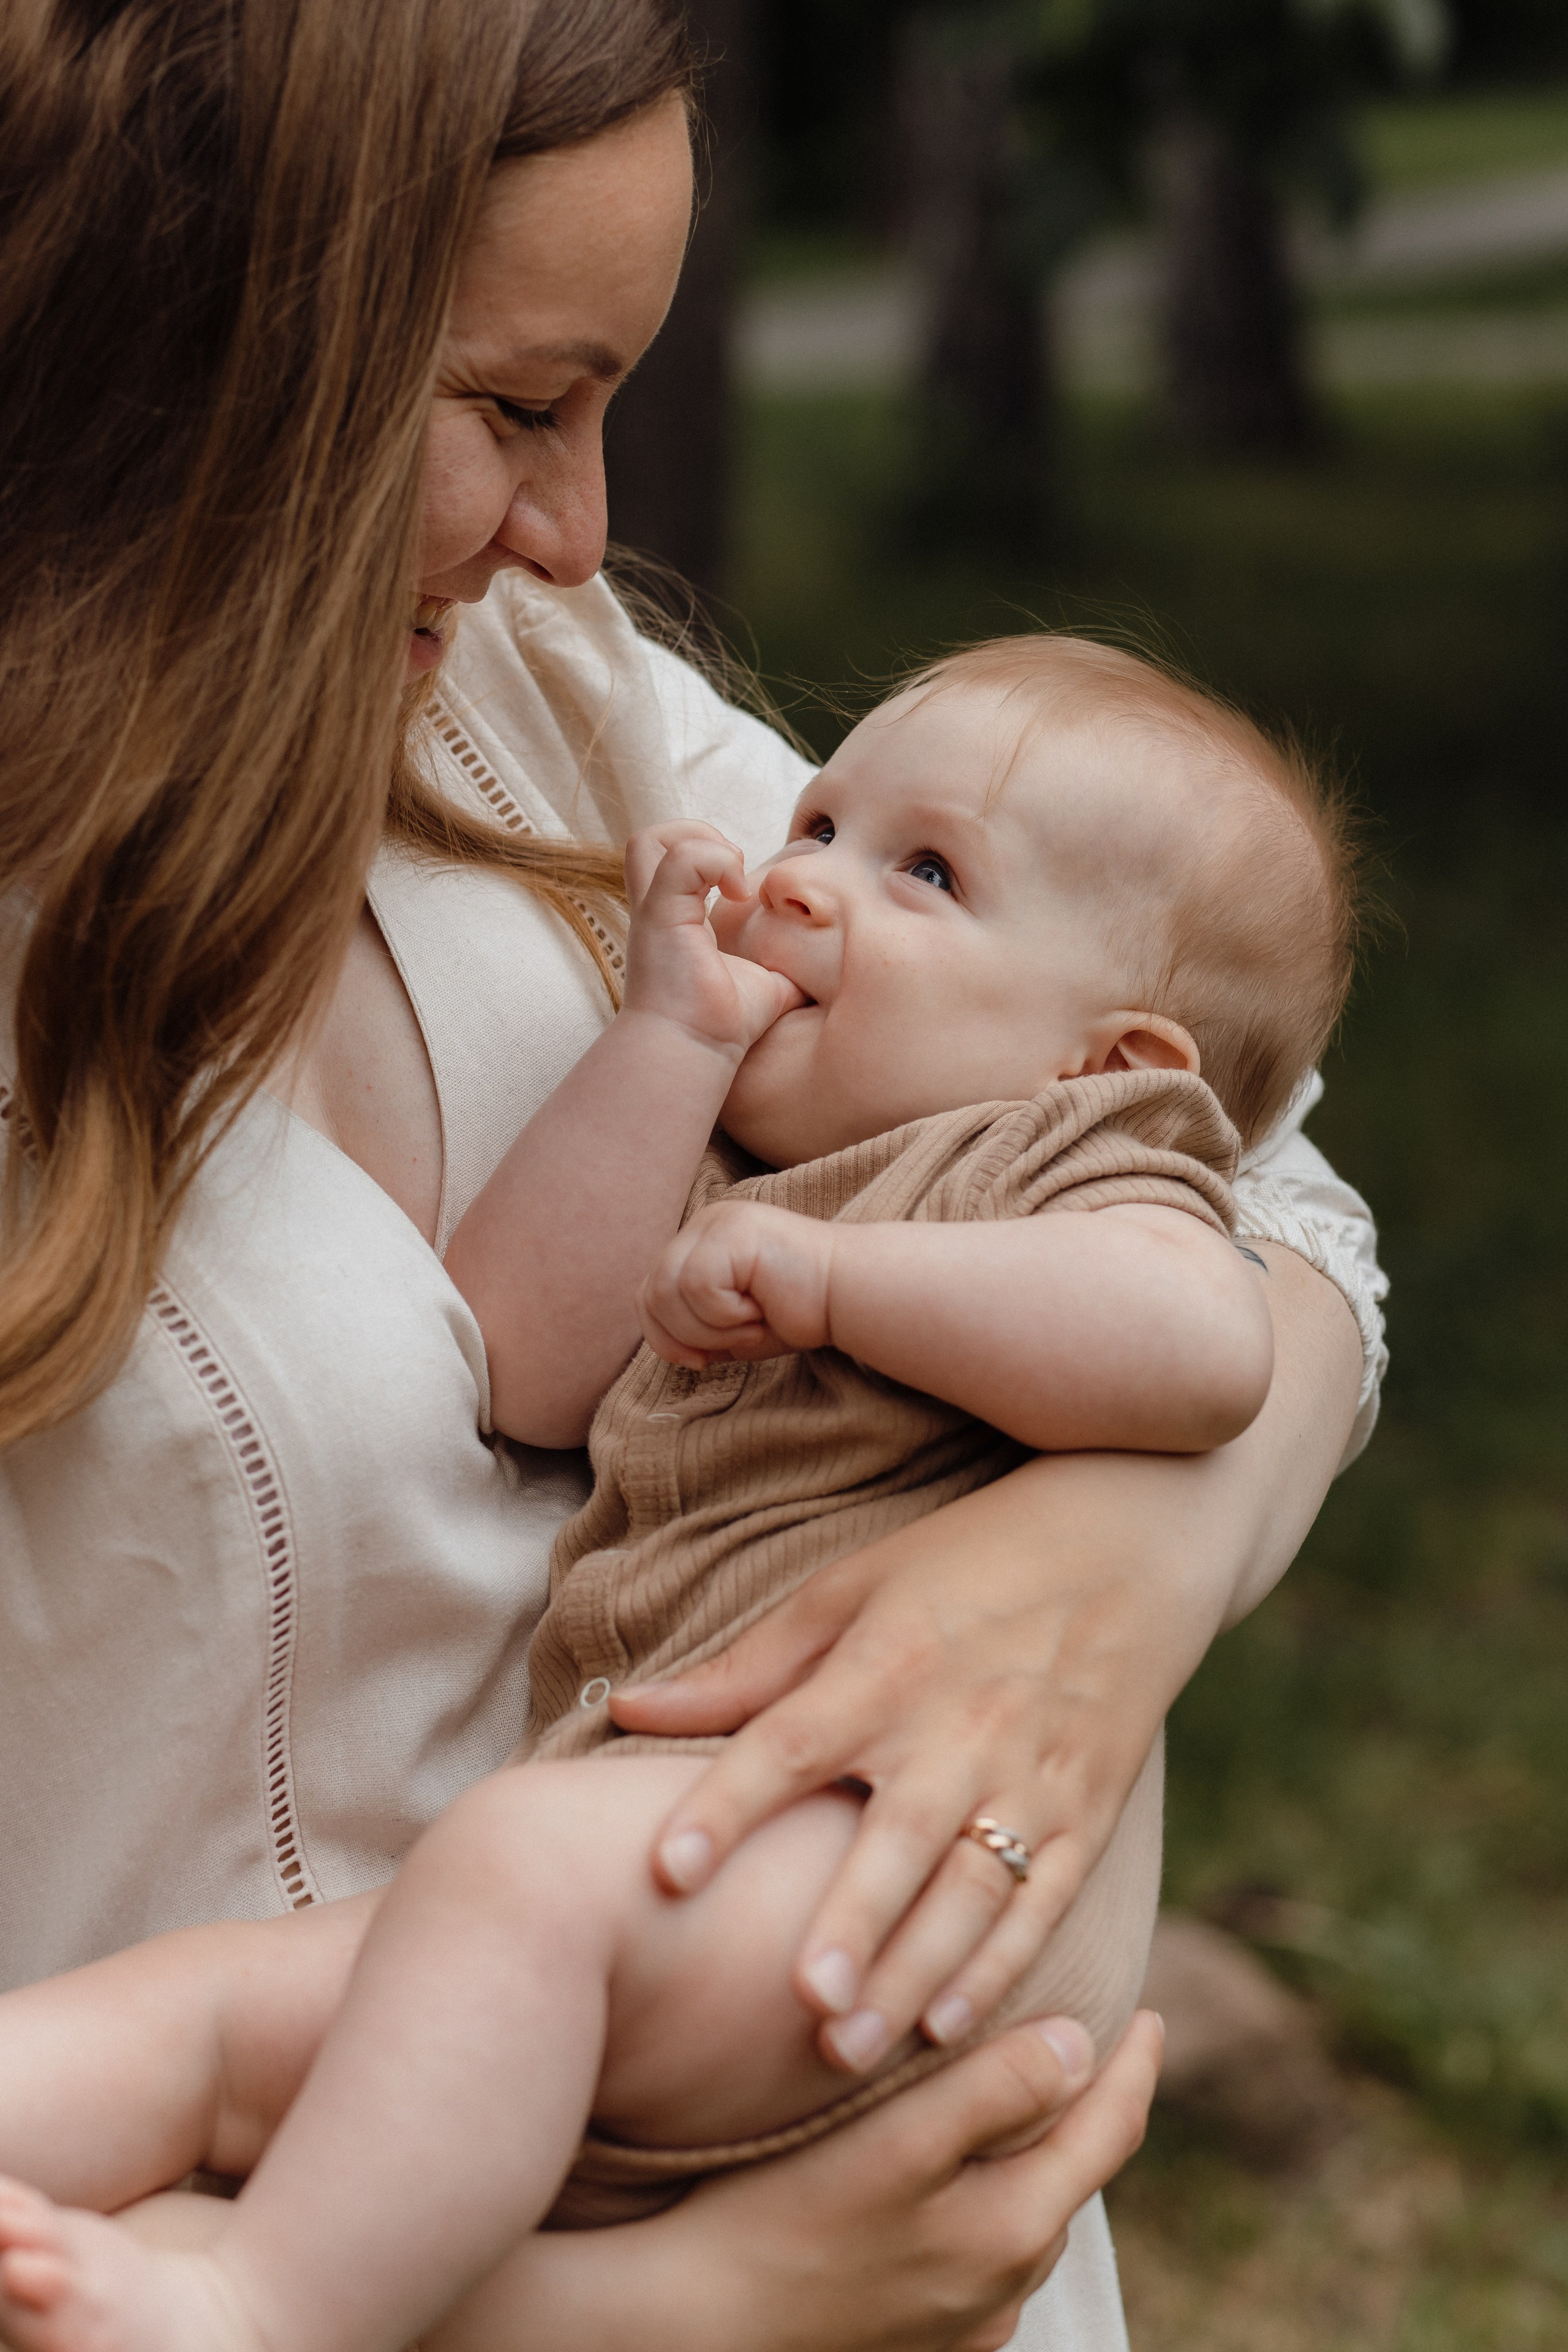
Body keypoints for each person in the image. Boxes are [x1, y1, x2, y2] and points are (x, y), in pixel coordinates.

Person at [0, 3, 1385, 2346]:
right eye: (519, 405)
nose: (588, 531)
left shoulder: (537, 694)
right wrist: (680, 2310)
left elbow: (1266, 1188)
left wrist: (1108, 1563)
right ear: (202, 337)